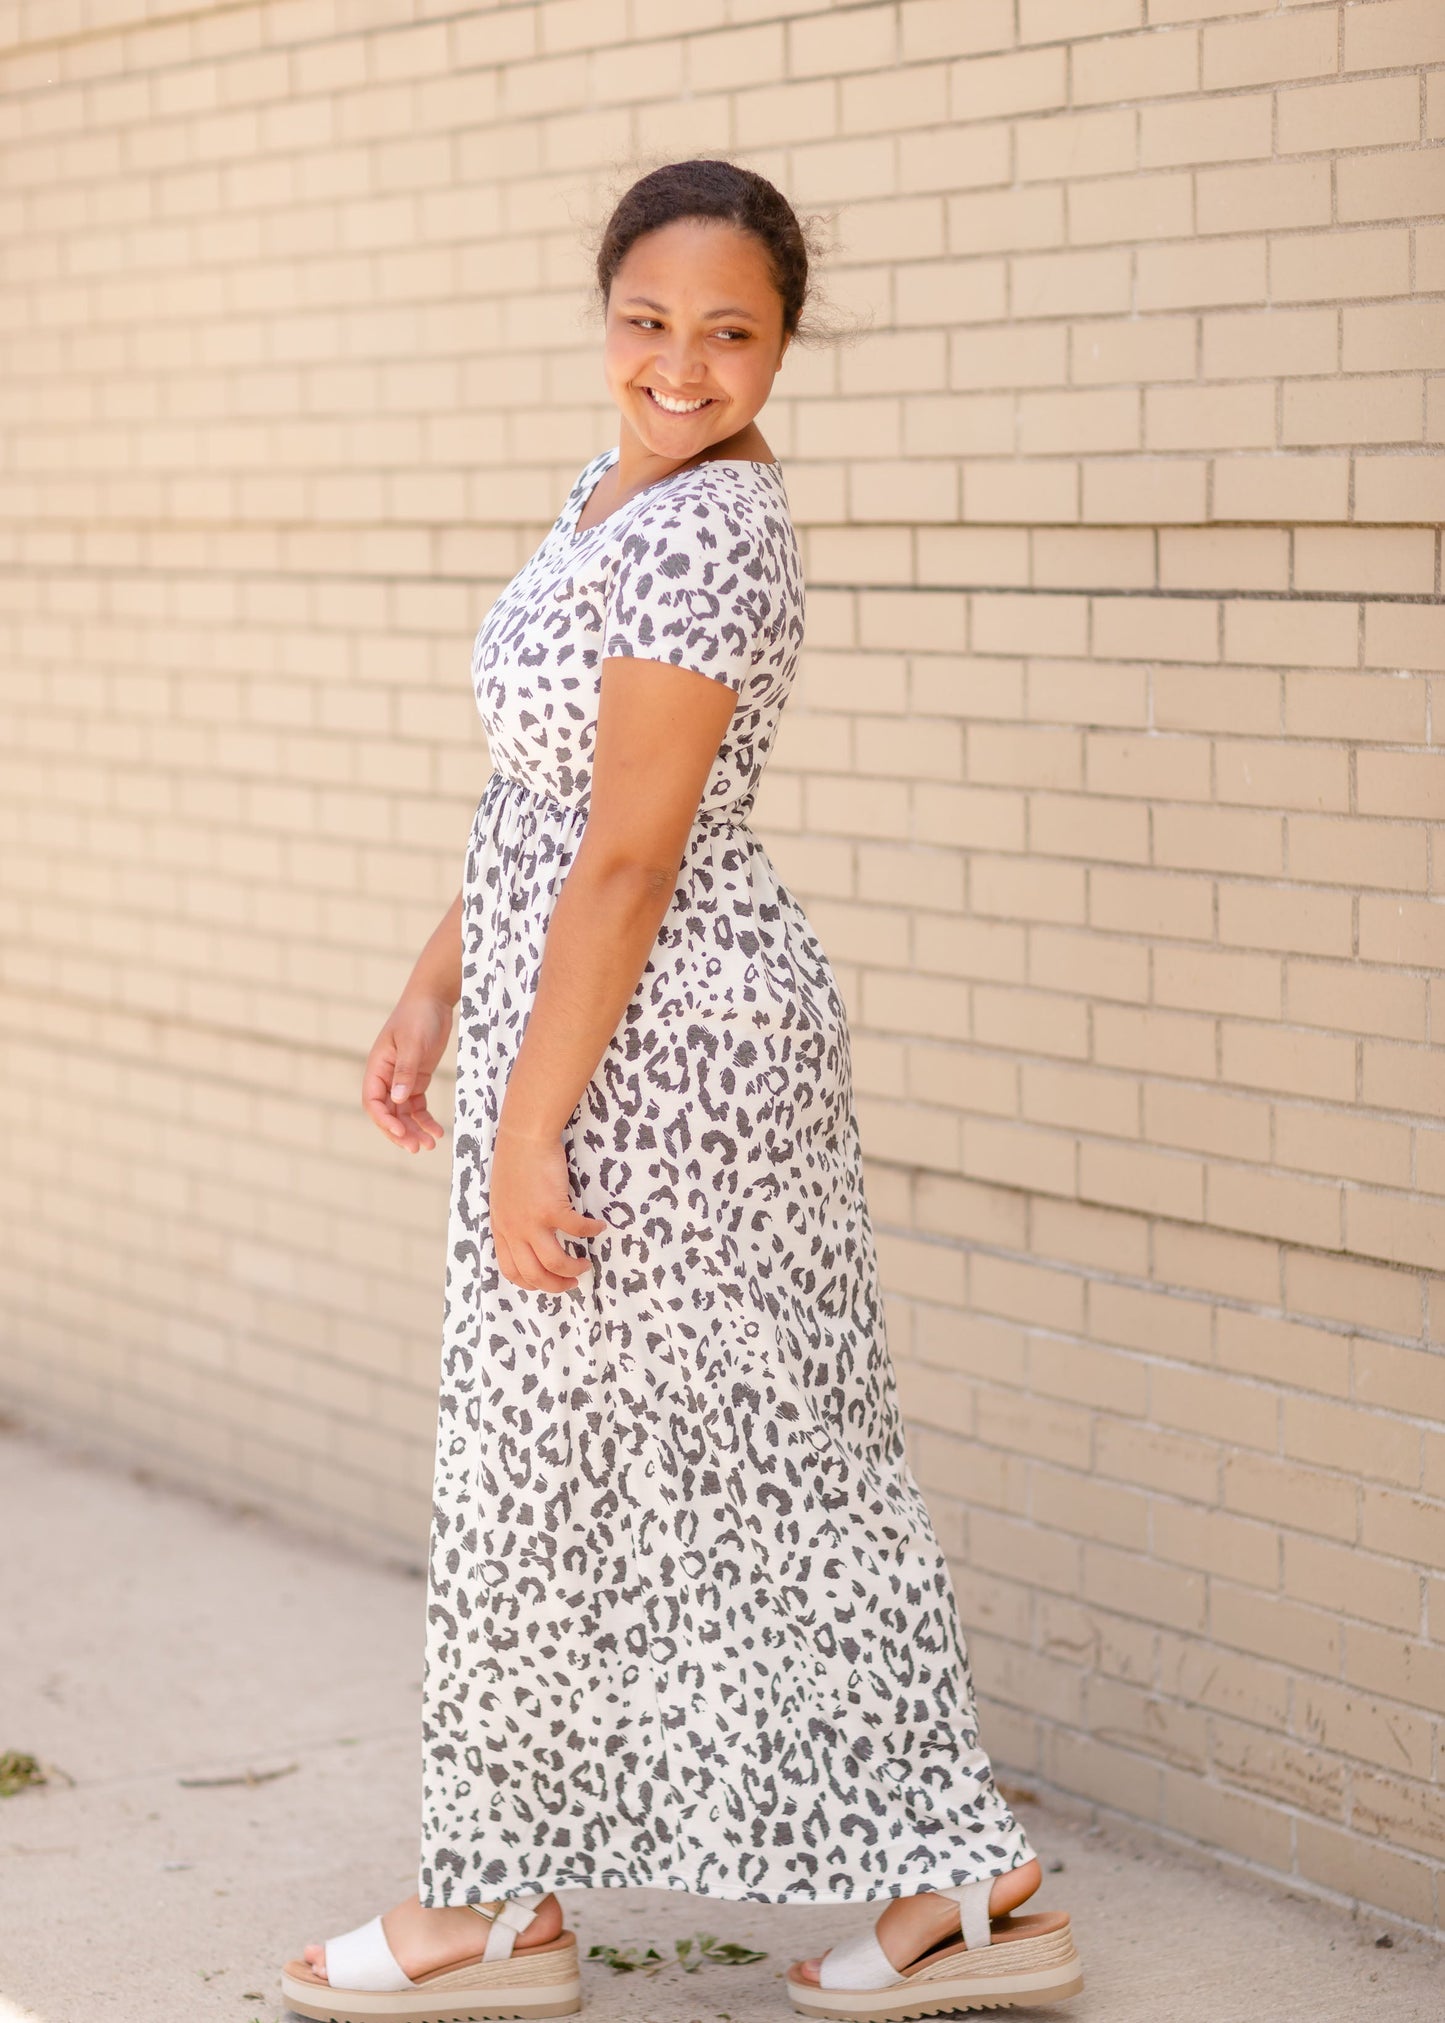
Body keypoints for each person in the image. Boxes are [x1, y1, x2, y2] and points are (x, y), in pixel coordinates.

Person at [280, 158, 1080, 2023]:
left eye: (731, 331)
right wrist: (429, 991)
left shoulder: (711, 533)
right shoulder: (606, 500)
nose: (683, 362)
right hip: (590, 1031)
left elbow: (632, 861)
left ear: (784, 341)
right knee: (591, 1476)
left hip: (676, 1063)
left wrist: (530, 1119)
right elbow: (542, 809)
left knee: (736, 1463)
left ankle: (573, 1907)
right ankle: (566, 1900)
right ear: (604, 315)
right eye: (650, 320)